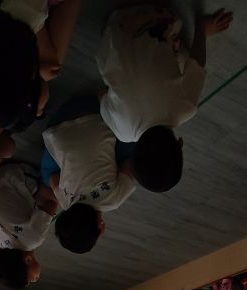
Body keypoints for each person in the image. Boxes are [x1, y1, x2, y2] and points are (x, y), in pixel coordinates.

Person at [97, 6, 233, 191]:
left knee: (182, 57)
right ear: (132, 153)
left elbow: (197, 63)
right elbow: (101, 95)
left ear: (180, 143)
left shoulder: (186, 107)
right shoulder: (122, 131)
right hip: (117, 26)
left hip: (158, 15)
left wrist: (202, 29)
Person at [41, 94, 137, 253]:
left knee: (129, 152)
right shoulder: (65, 203)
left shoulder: (113, 200)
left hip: (96, 111)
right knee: (47, 177)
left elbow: (130, 164)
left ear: (100, 224)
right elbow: (53, 178)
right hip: (58, 122)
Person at [0, 162, 56, 254]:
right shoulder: (2, 245)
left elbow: (51, 205)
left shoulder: (34, 241)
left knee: (56, 198)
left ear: (28, 260)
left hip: (8, 176)